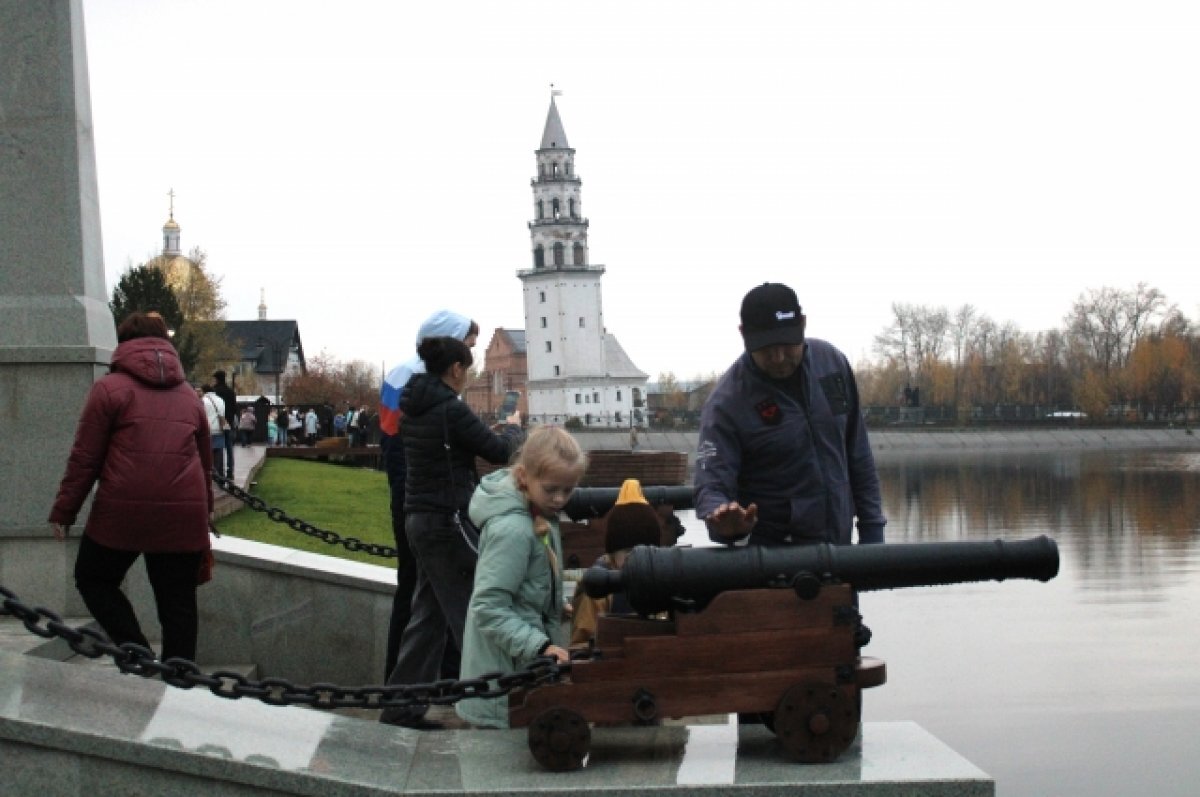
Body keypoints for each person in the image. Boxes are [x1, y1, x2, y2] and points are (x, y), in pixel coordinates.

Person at [48, 311, 214, 662]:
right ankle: (178, 681)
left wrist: (65, 510)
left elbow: (85, 458)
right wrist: (206, 517)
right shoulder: (189, 396)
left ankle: (136, 652)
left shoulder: (109, 389)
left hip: (122, 510)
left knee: (93, 578)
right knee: (178, 604)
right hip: (182, 514)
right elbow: (204, 464)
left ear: (123, 343)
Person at [379, 336, 523, 729]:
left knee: (427, 618)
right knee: (477, 608)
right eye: (467, 370)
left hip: (419, 519)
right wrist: (514, 430)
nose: (468, 377)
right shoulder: (449, 408)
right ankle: (492, 706)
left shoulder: (414, 407)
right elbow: (498, 451)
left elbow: (452, 445)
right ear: (455, 369)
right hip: (449, 521)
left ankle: (401, 707)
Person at [694, 282, 886, 547]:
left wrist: (873, 533)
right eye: (765, 348)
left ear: (803, 324)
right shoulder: (726, 403)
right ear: (743, 334)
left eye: (786, 344)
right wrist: (725, 523)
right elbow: (711, 486)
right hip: (773, 561)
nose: (778, 357)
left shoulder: (832, 365)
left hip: (840, 552)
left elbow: (859, 456)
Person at [455, 426, 588, 729]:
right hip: (503, 682)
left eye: (567, 490)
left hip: (519, 671)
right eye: (551, 489)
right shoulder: (513, 530)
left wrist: (556, 603)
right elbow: (488, 606)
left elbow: (529, 582)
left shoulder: (538, 514)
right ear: (524, 477)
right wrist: (540, 647)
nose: (559, 499)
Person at [378, 310, 480, 680]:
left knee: (428, 594)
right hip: (429, 503)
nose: (469, 356)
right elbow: (401, 448)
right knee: (423, 591)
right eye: (467, 345)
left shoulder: (406, 374)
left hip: (418, 500)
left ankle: (424, 681)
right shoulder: (418, 378)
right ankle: (428, 680)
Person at [569, 478, 663, 647]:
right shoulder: (598, 590)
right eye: (629, 553)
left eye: (646, 552)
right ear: (613, 553)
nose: (638, 560)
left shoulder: (661, 581)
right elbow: (580, 644)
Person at [211, 369, 237, 478]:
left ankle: (219, 471)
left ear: (216, 379)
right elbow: (235, 408)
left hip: (219, 423)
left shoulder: (215, 391)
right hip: (229, 423)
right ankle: (230, 471)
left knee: (219, 448)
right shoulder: (231, 392)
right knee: (229, 448)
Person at [201, 384, 226, 478]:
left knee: (207, 454)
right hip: (219, 429)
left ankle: (209, 474)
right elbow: (222, 415)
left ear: (204, 391)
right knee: (218, 454)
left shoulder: (203, 400)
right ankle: (218, 475)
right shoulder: (221, 400)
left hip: (207, 430)